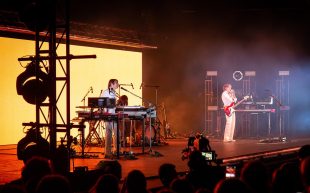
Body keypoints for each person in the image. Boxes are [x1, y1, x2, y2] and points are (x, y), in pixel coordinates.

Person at [100, 79, 119, 158]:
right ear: (111, 84)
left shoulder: (114, 93)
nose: (118, 85)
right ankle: (107, 152)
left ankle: (116, 150)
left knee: (117, 132)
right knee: (109, 134)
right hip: (108, 115)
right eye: (116, 83)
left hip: (114, 114)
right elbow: (101, 103)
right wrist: (105, 111)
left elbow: (113, 104)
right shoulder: (105, 92)